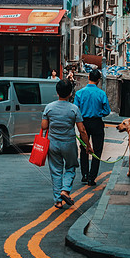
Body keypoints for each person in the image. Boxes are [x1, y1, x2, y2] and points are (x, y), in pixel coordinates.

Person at [41, 79, 92, 210]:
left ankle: (58, 201)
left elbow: (44, 126)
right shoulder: (74, 109)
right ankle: (65, 190)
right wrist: (88, 146)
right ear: (70, 93)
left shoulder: (49, 107)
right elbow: (82, 130)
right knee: (70, 167)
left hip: (53, 143)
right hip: (69, 143)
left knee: (56, 171)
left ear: (57, 92)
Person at [74, 69, 111, 186]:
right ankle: (92, 177)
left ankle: (84, 174)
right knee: (97, 150)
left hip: (83, 123)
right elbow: (107, 111)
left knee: (84, 148)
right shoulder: (101, 94)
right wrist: (99, 113)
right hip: (97, 123)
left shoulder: (79, 93)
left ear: (88, 77)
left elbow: (75, 110)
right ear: (99, 80)